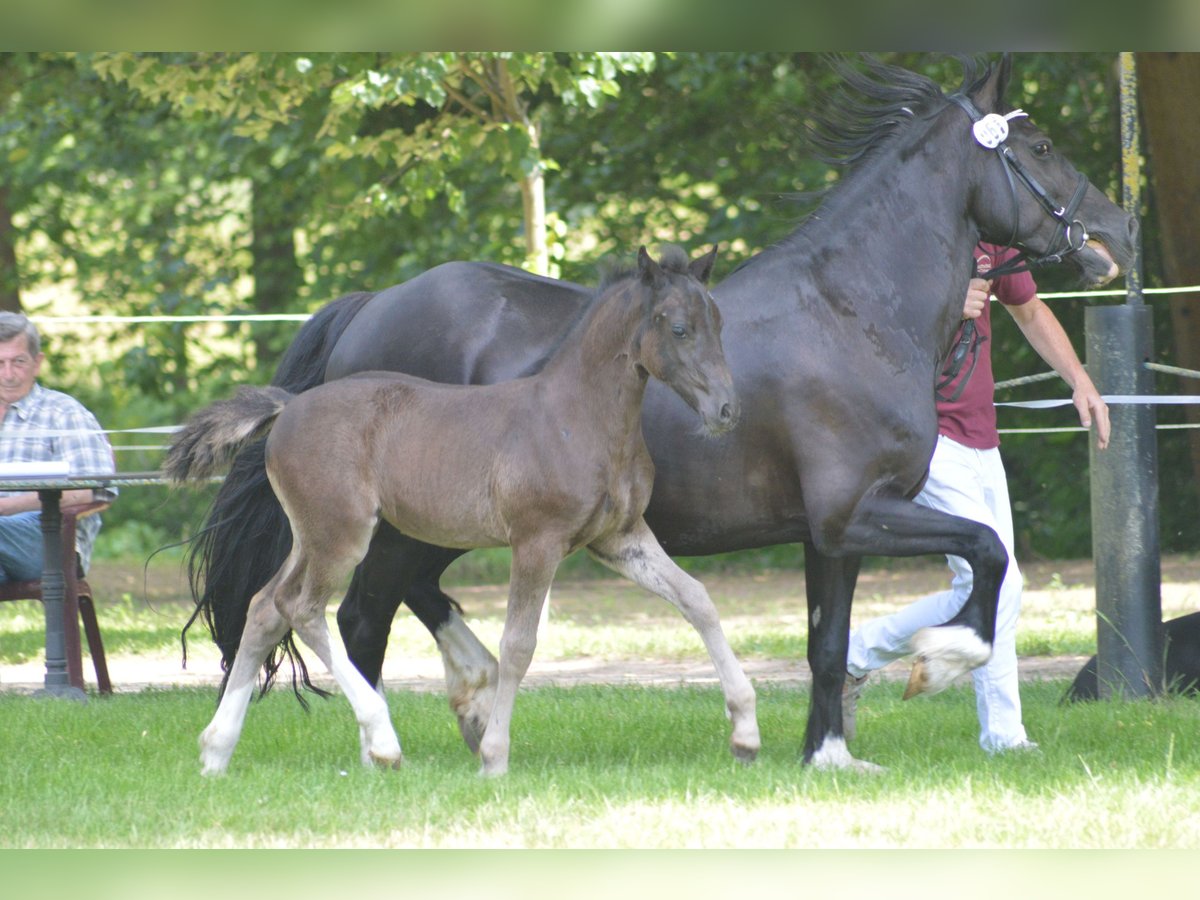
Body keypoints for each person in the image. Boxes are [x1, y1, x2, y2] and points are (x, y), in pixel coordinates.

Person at [844, 243, 1111, 754]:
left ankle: (857, 660)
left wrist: (1081, 381)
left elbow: (1029, 310)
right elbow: (863, 324)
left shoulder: (994, 239)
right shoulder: (911, 230)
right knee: (997, 580)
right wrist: (941, 303)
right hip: (929, 435)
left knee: (997, 587)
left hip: (982, 438)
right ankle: (999, 736)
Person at [0, 312, 116, 583]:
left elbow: (96, 487)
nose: (8, 374)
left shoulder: (64, 412)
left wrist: (7, 507)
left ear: (37, 363)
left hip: (50, 535)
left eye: (18, 362)